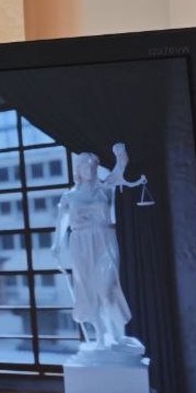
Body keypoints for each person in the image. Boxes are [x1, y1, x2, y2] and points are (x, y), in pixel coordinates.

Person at [53, 144, 145, 350]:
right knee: (89, 291)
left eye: (93, 166)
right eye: (86, 166)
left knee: (107, 287)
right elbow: (62, 222)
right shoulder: (69, 196)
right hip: (80, 243)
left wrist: (120, 152)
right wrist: (56, 246)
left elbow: (120, 166)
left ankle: (118, 336)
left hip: (104, 240)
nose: (90, 169)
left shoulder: (106, 187)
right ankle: (102, 337)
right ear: (78, 170)